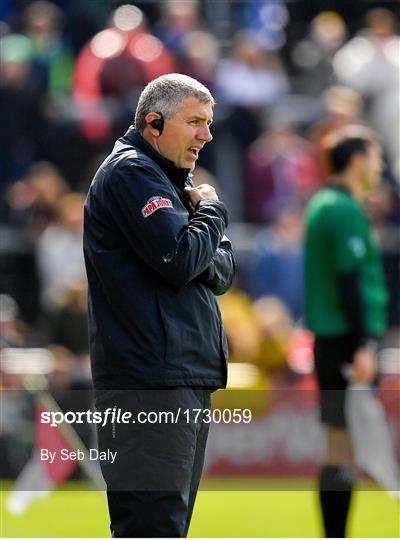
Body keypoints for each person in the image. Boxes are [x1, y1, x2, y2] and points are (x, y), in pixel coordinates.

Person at [83, 73, 235, 537]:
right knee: (152, 527)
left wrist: (197, 241)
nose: (206, 136)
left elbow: (223, 270)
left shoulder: (169, 181)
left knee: (165, 526)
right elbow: (179, 258)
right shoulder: (132, 172)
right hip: (147, 385)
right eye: (195, 122)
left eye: (208, 123)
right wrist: (210, 212)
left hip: (175, 377)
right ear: (154, 123)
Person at [304, 125, 388, 538]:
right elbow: (350, 281)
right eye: (376, 157)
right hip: (344, 343)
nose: (381, 166)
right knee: (342, 448)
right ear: (357, 160)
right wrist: (365, 344)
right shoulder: (342, 209)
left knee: (343, 447)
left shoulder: (326, 204)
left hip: (334, 341)